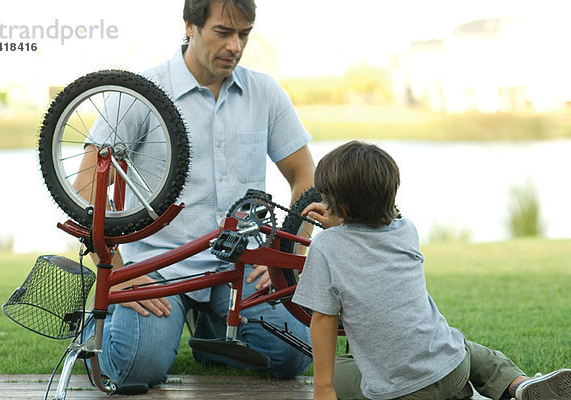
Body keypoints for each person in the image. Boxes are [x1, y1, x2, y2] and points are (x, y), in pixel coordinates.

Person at [77, 0, 315, 386]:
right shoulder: (141, 92)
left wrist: (288, 256)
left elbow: (306, 178)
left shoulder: (265, 92)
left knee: (294, 353)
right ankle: (94, 328)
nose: (236, 46)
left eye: (244, 34)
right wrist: (118, 272)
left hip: (239, 266)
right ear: (190, 26)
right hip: (157, 268)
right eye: (223, 32)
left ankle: (209, 334)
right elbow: (86, 184)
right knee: (134, 368)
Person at [292, 141, 571, 400]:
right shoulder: (406, 230)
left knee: (342, 367)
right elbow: (369, 236)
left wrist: (323, 388)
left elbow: (323, 321)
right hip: (451, 370)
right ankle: (518, 384)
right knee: (465, 347)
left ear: (339, 205)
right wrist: (344, 218)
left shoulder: (326, 247)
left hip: (402, 392)